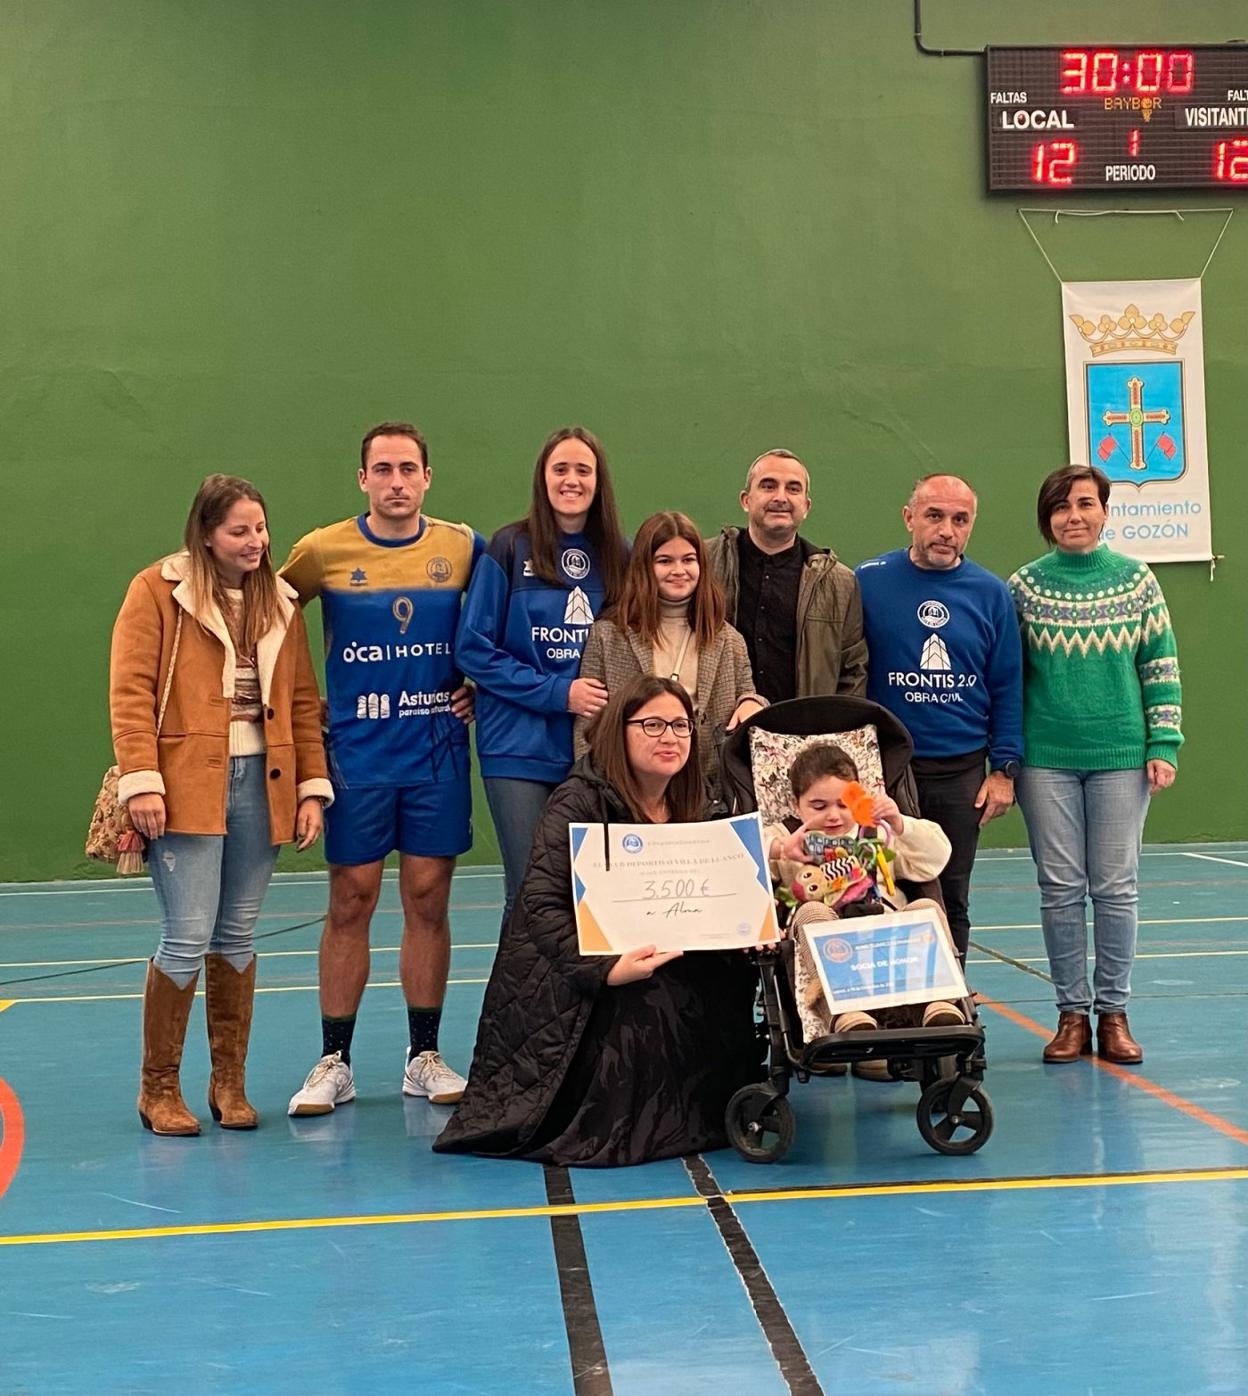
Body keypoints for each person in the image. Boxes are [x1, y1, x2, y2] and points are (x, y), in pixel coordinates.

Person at [433, 676, 761, 1166]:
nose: (669, 737)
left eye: (680, 726)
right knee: (644, 1008)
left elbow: (721, 893)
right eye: (651, 724)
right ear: (618, 732)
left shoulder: (698, 803)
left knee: (721, 989)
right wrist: (606, 969)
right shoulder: (578, 801)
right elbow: (541, 906)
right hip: (574, 971)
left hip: (664, 952)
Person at [110, 475, 332, 1136]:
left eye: (261, 529)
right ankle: (158, 1090)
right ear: (205, 533)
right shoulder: (157, 590)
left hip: (263, 783)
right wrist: (142, 778)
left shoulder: (283, 602)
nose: (257, 542)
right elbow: (130, 690)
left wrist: (310, 791)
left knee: (236, 934)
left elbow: (299, 702)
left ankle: (227, 1085)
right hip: (184, 783)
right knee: (186, 934)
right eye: (240, 531)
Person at [281, 422, 482, 1116]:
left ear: (428, 477)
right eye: (383, 469)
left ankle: (422, 1055)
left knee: (427, 900)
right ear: (363, 479)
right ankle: (334, 1060)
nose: (397, 481)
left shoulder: (460, 547)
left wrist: (481, 682)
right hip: (357, 758)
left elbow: (494, 629)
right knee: (351, 900)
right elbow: (267, 620)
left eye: (409, 469)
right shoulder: (321, 551)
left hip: (437, 754)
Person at [1008, 465, 1181, 1066]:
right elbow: (1010, 678)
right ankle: (1070, 1015)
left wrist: (1165, 744)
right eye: (1061, 506)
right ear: (1047, 517)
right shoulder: (1024, 587)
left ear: (1106, 511)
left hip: (1121, 761)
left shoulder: (1137, 581)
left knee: (1115, 889)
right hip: (1044, 762)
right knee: (1060, 890)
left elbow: (1159, 664)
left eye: (1085, 504)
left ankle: (1114, 1014)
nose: (1073, 516)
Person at [455, 427, 628, 928]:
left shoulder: (619, 553)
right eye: (560, 469)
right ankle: (520, 1008)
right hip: (517, 749)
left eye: (583, 470)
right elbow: (473, 649)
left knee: (593, 896)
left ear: (599, 482)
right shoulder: (509, 547)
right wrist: (559, 692)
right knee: (531, 892)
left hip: (594, 749)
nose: (571, 480)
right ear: (543, 478)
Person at [856, 474, 1024, 964]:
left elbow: (1008, 685)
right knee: (874, 886)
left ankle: (951, 1010)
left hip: (961, 771)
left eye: (960, 519)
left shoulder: (992, 594)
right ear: (909, 518)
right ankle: (888, 1013)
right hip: (882, 769)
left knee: (951, 893)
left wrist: (1003, 770)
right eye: (934, 516)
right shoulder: (867, 581)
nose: (946, 529)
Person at [765, 743, 964, 1048]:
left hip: (884, 935)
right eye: (819, 807)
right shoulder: (786, 837)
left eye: (844, 805)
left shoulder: (878, 834)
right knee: (811, 913)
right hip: (829, 944)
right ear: (796, 804)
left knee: (926, 907)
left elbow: (935, 859)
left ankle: (938, 1003)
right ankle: (844, 1013)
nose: (833, 816)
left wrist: (900, 824)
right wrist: (779, 850)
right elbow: (744, 858)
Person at [575, 511, 766, 806]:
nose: (679, 570)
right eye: (665, 561)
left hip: (708, 797)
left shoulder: (729, 640)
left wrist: (753, 702)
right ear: (644, 567)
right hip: (624, 798)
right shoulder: (607, 637)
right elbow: (587, 729)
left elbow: (748, 697)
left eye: (688, 560)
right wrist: (598, 796)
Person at [705, 449, 867, 702]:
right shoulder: (703, 563)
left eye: (793, 489)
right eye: (768, 486)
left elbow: (853, 670)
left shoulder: (840, 583)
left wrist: (828, 730)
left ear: (806, 506)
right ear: (746, 500)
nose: (781, 497)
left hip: (802, 734)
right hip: (718, 734)